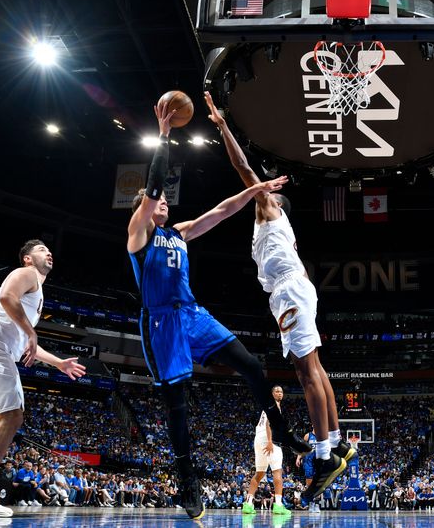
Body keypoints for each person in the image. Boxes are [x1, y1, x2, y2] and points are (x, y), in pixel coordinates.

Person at [127, 101, 311, 519]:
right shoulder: (139, 235)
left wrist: (256, 190)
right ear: (144, 208)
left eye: (165, 205)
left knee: (251, 365)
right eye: (157, 204)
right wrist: (164, 134)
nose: (164, 206)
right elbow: (154, 185)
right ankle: (186, 479)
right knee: (178, 406)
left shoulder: (180, 233)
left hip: (192, 314)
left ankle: (280, 429)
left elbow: (223, 210)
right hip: (161, 323)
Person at [205, 91, 353, 502]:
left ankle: (324, 456)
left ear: (272, 202)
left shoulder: (269, 210)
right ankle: (336, 441)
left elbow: (242, 167)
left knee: (306, 373)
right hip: (295, 290)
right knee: (316, 368)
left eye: (262, 197)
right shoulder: (282, 233)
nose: (257, 201)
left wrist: (222, 126)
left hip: (289, 291)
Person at [0, 240, 86, 517]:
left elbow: (24, 341)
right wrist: (31, 332)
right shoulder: (27, 274)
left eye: (49, 249)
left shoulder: (35, 292)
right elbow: (6, 298)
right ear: (27, 258)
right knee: (12, 417)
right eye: (41, 249)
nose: (48, 252)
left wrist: (57, 362)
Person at [242, 385, 292, 517]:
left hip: (258, 439)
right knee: (277, 471)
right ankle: (279, 505)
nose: (280, 393)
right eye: (277, 391)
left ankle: (248, 503)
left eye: (281, 391)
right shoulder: (274, 405)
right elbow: (268, 424)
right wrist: (270, 441)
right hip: (268, 438)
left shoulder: (267, 406)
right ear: (272, 394)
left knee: (259, 474)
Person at [295, 428, 320, 512]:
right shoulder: (308, 436)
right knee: (309, 485)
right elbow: (301, 448)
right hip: (308, 463)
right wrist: (298, 458)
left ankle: (316, 504)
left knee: (318, 485)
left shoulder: (322, 435)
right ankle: (311, 504)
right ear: (313, 425)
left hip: (318, 462)